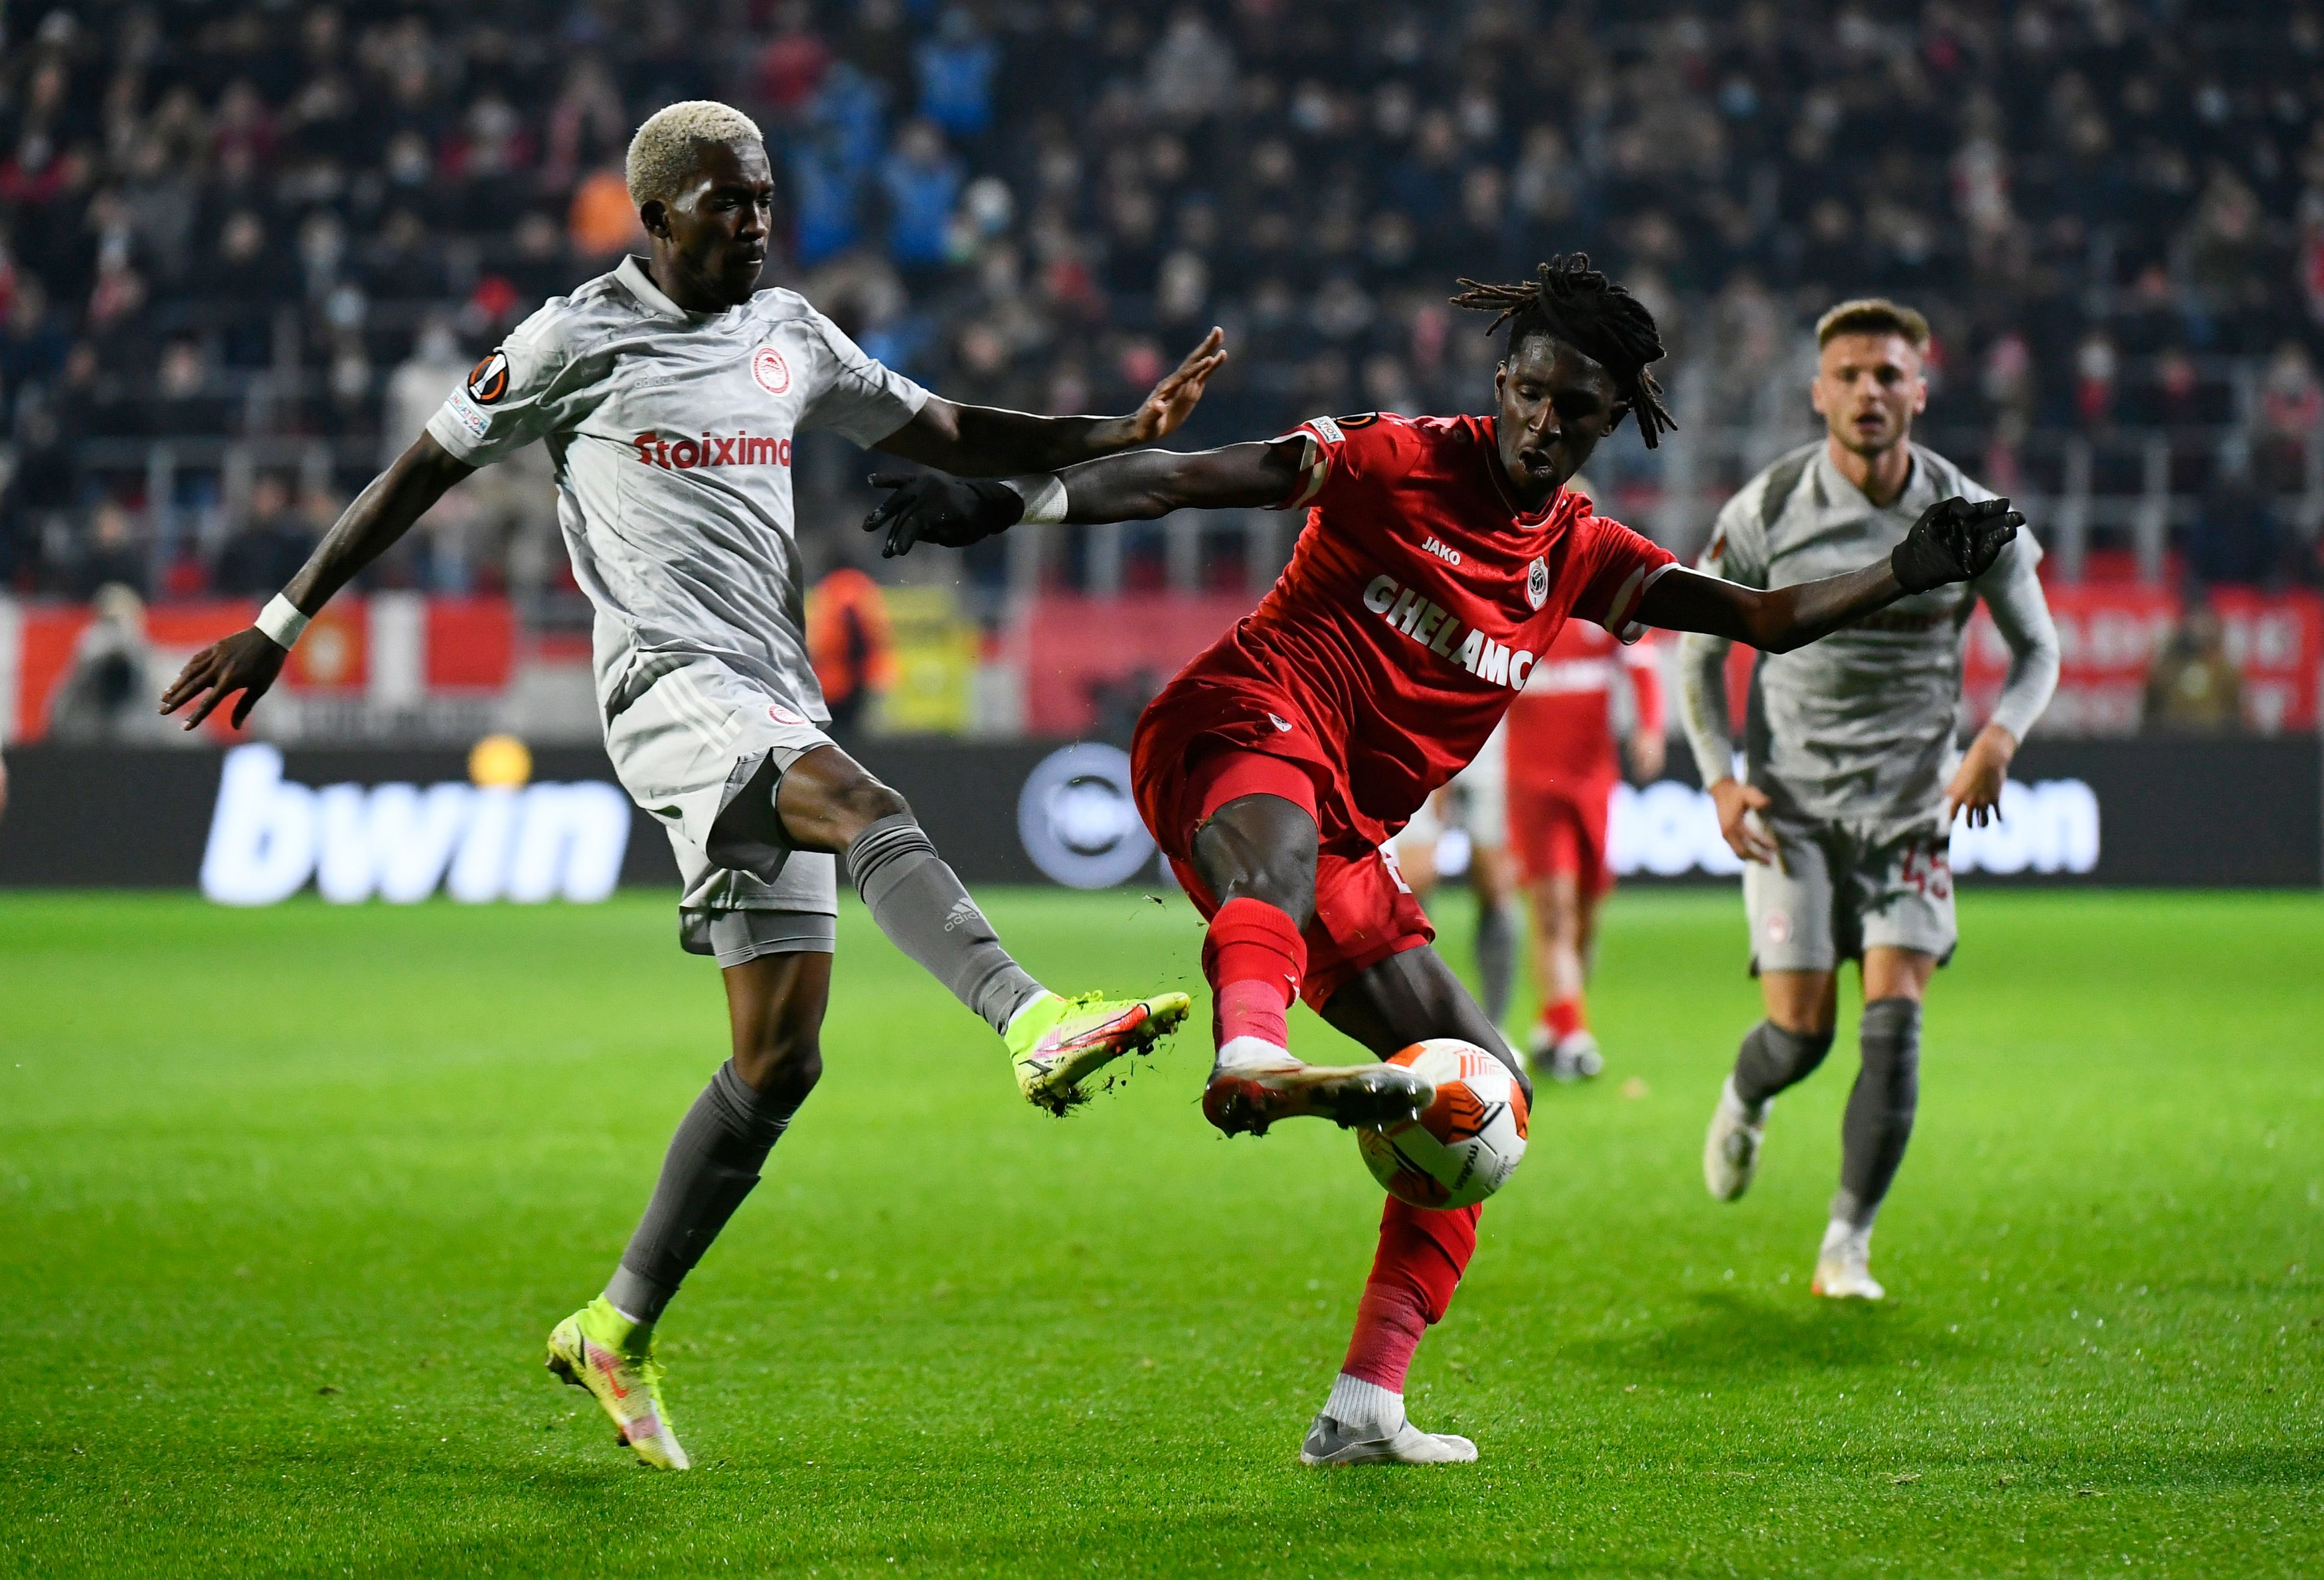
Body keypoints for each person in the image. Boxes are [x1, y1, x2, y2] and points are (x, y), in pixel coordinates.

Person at [160, 100, 1232, 1472]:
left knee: (781, 1056)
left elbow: (949, 428)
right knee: (862, 805)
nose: (757, 217)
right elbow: (421, 468)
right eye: (728, 200)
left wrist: (1114, 428)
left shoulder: (788, 333)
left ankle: (613, 1323)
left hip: (770, 690)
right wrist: (279, 619)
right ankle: (1029, 1015)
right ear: (654, 218)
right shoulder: (570, 340)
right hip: (666, 693)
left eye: (764, 193)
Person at [863, 256, 2023, 1464]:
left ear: (1611, 420)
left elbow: (1763, 618)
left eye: (1575, 409)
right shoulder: (1397, 457)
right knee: (1282, 851)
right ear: (1501, 377)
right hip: (1233, 728)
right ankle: (1251, 1047)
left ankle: (1365, 1405)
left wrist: (1911, 568)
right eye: (1529, 390)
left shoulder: (1576, 550)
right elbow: (1188, 479)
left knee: (1494, 1097)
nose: (1542, 420)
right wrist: (1009, 504)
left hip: (1347, 839)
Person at [1679, 298, 2060, 1301]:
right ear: (1818, 394)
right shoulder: (1766, 511)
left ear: (1919, 393)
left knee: (1895, 1020)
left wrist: (1998, 735)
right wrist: (1721, 777)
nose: (1868, 393)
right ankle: (1748, 1093)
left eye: (1889, 375)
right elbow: (1697, 654)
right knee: (1800, 1034)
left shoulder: (1969, 516)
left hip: (1908, 813)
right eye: (1849, 375)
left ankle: (1846, 1243)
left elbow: (2040, 650)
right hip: (1793, 812)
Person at [1502, 593, 1666, 1082]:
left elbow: (1642, 657)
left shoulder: (1602, 596)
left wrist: (1651, 727)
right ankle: (1574, 1036)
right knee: (1553, 910)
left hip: (1594, 781)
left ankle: (1552, 1024)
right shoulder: (1511, 601)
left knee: (1587, 913)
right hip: (1533, 782)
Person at [1388, 728, 1519, 1033]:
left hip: (1492, 737)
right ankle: (1417, 1026)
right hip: (1425, 728)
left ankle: (1495, 1027)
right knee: (1415, 879)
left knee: (1496, 884)